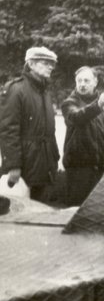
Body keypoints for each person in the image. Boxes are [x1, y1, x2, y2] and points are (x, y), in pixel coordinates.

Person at [0, 47, 60, 203]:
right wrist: (13, 166)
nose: (50, 67)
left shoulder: (45, 92)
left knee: (42, 211)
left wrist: (54, 159)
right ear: (31, 64)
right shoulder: (16, 90)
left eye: (52, 64)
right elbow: (8, 131)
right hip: (25, 168)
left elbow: (49, 131)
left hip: (45, 167)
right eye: (45, 63)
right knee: (21, 213)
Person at [61, 66, 104, 205]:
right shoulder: (69, 104)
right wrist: (97, 106)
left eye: (86, 81)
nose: (82, 84)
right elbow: (77, 117)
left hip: (103, 171)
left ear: (95, 82)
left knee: (101, 213)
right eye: (79, 80)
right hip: (78, 171)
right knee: (78, 212)